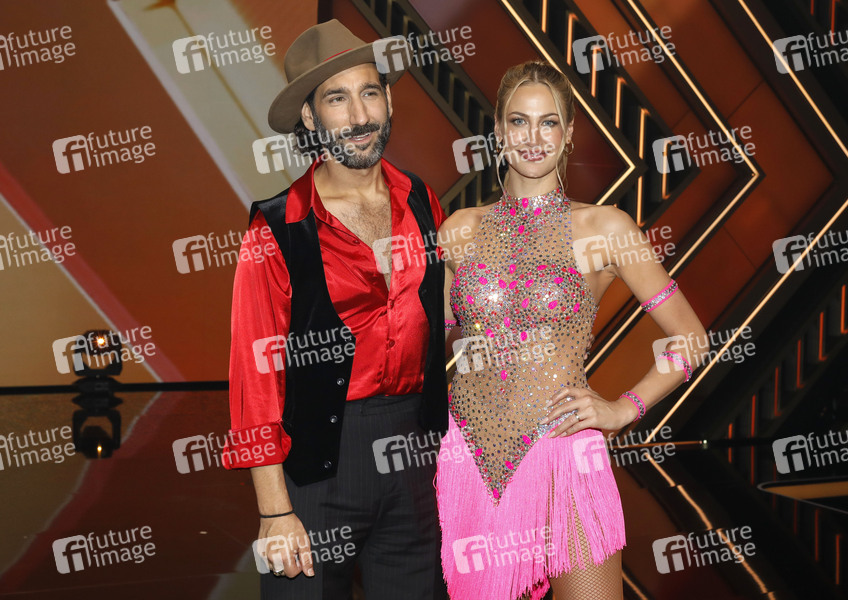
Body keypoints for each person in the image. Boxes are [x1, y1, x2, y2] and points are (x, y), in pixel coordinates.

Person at [435, 60, 708, 600]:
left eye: (548, 123)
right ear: (498, 131)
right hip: (471, 459)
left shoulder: (605, 227)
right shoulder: (459, 232)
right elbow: (427, 347)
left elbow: (691, 339)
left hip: (564, 453)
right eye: (519, 122)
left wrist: (623, 409)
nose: (533, 138)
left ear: (569, 134)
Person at [221, 19, 449, 600]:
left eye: (370, 92)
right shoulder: (277, 226)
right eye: (337, 98)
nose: (360, 115)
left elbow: (450, 318)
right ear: (310, 116)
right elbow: (255, 377)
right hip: (318, 467)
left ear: (389, 100)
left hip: (417, 459)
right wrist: (275, 511)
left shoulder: (423, 202)